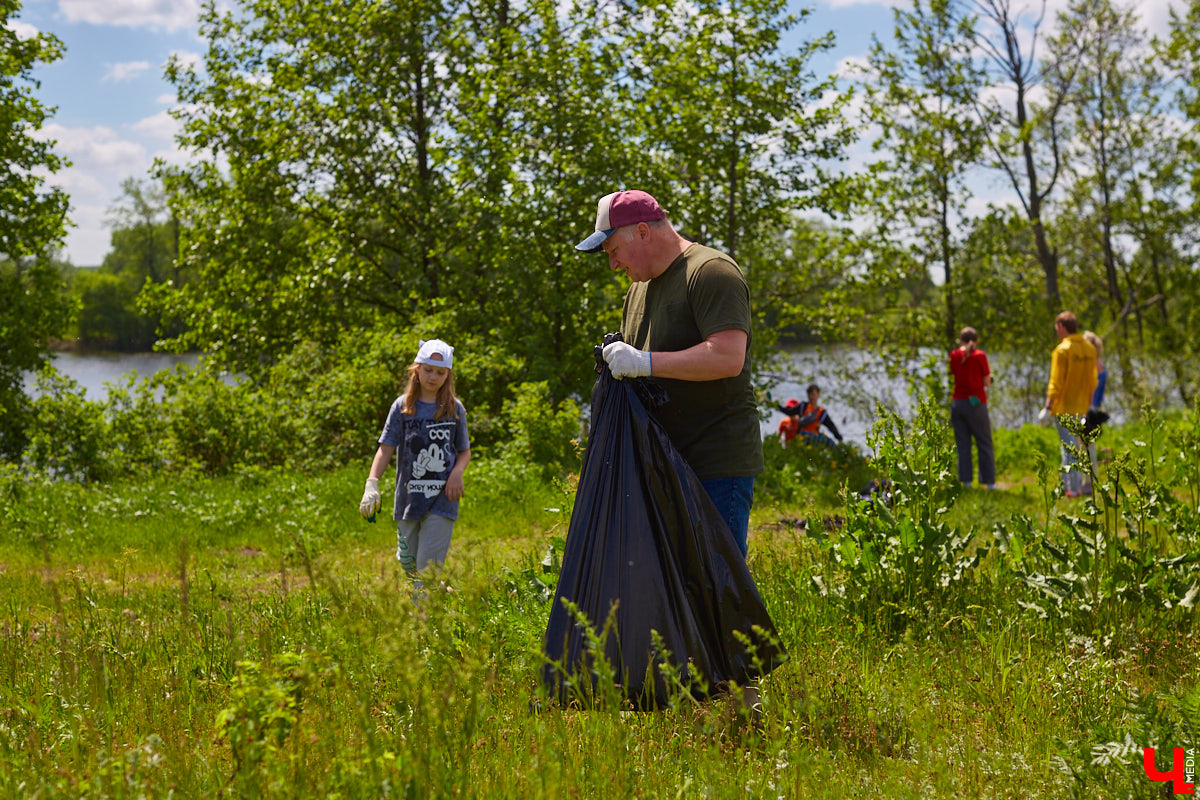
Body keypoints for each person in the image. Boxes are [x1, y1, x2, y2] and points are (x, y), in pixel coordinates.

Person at [576, 189, 763, 558]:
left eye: (613, 251)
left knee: (717, 585)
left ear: (643, 232)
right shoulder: (637, 291)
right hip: (660, 464)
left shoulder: (711, 272)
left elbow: (727, 357)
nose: (613, 265)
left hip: (715, 465)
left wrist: (644, 362)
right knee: (668, 588)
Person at [359, 339, 471, 587]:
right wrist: (372, 484)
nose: (433, 376)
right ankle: (437, 593)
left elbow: (464, 451)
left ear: (447, 376)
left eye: (440, 372)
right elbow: (385, 448)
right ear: (417, 370)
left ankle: (423, 623)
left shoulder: (454, 409)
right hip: (408, 500)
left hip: (443, 500)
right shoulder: (402, 407)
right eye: (428, 369)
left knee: (426, 568)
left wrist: (457, 473)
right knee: (408, 563)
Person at [1038, 312, 1098, 497]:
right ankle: (1079, 485)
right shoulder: (1089, 348)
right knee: (1081, 446)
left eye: (1057, 328)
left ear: (1062, 327)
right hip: (1082, 407)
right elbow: (1092, 381)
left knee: (1068, 448)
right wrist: (1089, 404)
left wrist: (1047, 407)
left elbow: (1056, 382)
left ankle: (1071, 488)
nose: (1057, 332)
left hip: (1064, 407)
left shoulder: (1062, 350)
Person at [948, 327, 995, 490]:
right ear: (976, 340)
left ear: (961, 340)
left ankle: (966, 483)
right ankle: (989, 483)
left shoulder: (954, 355)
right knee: (984, 443)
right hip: (976, 405)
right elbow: (987, 382)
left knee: (963, 444)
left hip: (958, 404)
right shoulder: (980, 355)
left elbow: (955, 374)